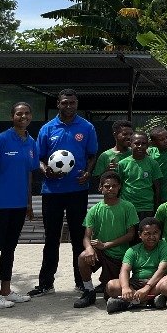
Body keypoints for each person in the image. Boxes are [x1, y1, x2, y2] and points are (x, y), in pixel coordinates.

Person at [31, 89, 99, 298]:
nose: (68, 106)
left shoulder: (86, 127)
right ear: (58, 104)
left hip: (77, 190)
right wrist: (45, 170)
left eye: (72, 103)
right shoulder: (47, 128)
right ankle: (46, 283)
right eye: (64, 103)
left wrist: (88, 172)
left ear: (77, 103)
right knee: (51, 238)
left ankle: (82, 282)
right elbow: (39, 158)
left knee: (79, 238)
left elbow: (92, 155)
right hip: (52, 191)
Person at [0, 101, 39, 308]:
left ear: (31, 116)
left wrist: (29, 203)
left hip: (19, 204)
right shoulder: (1, 139)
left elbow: (29, 173)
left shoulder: (31, 142)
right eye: (19, 113)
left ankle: (6, 290)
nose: (24, 116)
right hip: (1, 203)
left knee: (10, 246)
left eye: (27, 113)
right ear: (12, 116)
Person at [74, 172, 139, 309]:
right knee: (83, 257)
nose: (111, 189)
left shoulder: (128, 207)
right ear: (100, 188)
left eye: (114, 186)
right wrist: (89, 248)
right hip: (100, 252)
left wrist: (106, 245)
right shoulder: (94, 210)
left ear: (119, 187)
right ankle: (88, 291)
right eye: (107, 186)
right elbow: (86, 236)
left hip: (120, 256)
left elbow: (131, 235)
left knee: (110, 292)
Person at [105, 217, 167, 313]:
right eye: (147, 234)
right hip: (137, 283)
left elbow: (162, 270)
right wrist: (125, 288)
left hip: (157, 282)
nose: (151, 237)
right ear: (139, 235)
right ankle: (149, 300)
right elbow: (125, 270)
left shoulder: (166, 248)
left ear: (160, 233)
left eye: (155, 233)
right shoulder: (132, 250)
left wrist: (147, 288)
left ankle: (131, 302)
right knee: (111, 285)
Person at [115, 130, 161, 220]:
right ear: (130, 144)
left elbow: (157, 188)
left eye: (143, 144)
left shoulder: (153, 163)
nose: (140, 146)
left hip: (147, 208)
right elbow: (119, 186)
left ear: (147, 145)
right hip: (127, 208)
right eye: (137, 143)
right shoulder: (122, 164)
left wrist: (156, 208)